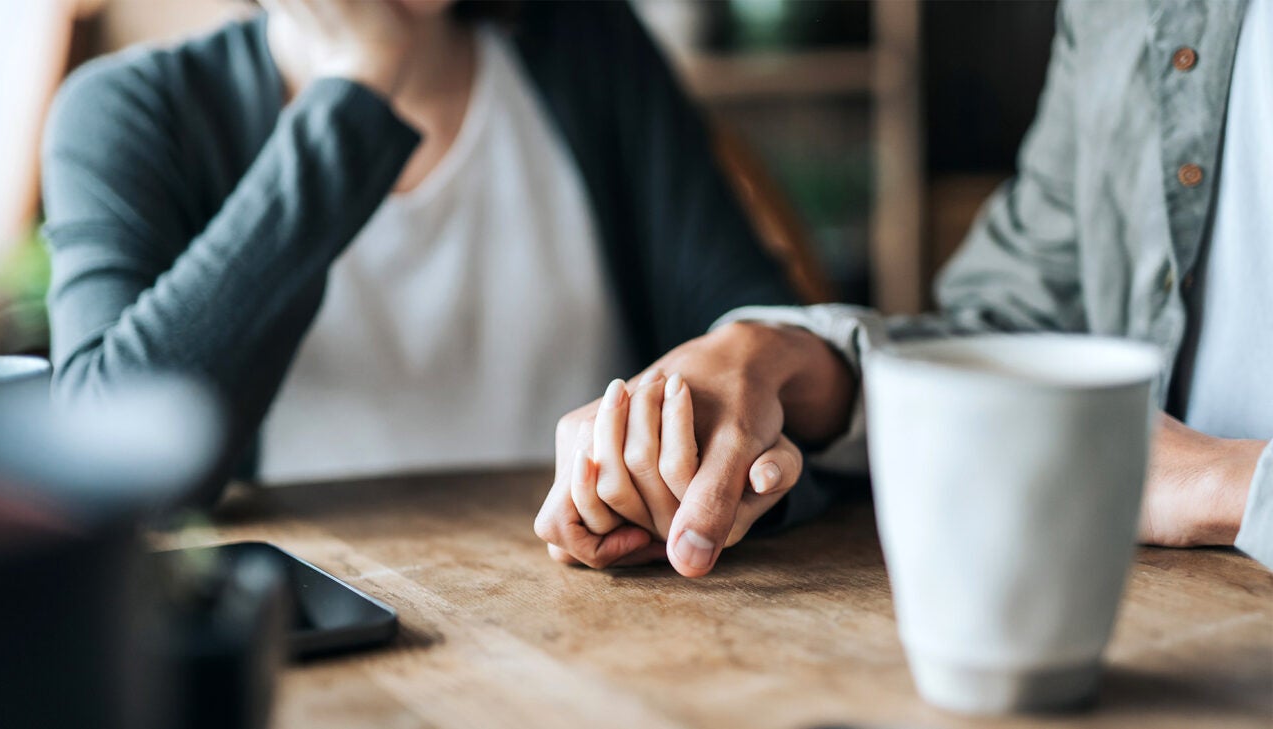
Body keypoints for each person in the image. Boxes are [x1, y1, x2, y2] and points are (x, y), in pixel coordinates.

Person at [537, 0, 1273, 574]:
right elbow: (1012, 331)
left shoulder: (582, 44)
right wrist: (812, 375)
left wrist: (1231, 483)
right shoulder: (1118, 12)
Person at [40, 0, 800, 493]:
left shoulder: (587, 47)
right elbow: (112, 464)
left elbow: (763, 332)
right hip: (311, 640)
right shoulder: (128, 112)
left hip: (602, 600)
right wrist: (357, 89)